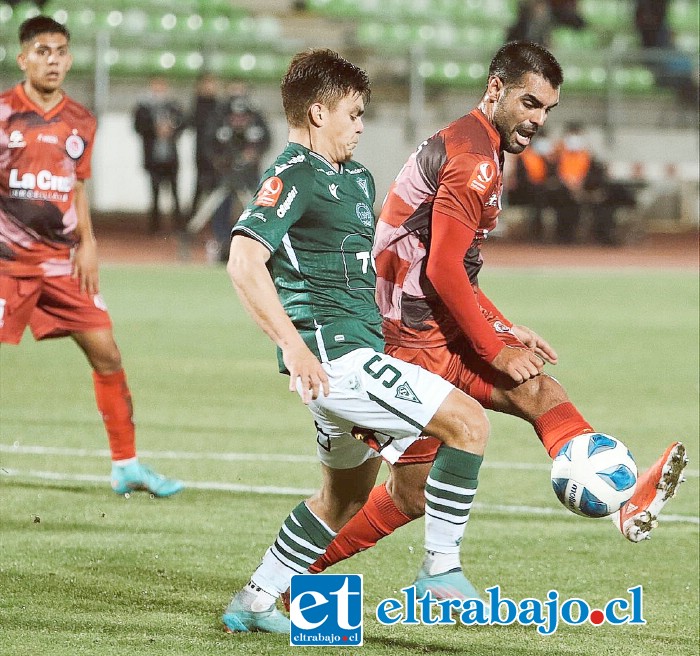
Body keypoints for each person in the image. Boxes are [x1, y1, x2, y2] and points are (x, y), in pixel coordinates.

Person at [306, 41, 687, 579]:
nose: (538, 120)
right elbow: (441, 268)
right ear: (495, 90)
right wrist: (493, 347)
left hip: (432, 329)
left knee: (540, 389)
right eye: (529, 104)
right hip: (406, 341)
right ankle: (296, 580)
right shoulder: (473, 160)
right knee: (410, 494)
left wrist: (505, 328)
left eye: (547, 110)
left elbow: (453, 267)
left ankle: (623, 501)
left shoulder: (477, 146)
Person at [222, 48, 493, 634]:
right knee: (468, 424)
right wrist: (293, 347)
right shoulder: (290, 175)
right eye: (352, 113)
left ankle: (254, 599)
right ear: (318, 113)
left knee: (344, 496)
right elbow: (244, 261)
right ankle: (440, 568)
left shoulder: (355, 177)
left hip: (360, 354)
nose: (361, 124)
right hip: (334, 360)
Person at [0, 16, 184, 498]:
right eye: (42, 51)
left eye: (60, 51)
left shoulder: (79, 119)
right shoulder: (2, 115)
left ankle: (126, 466)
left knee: (107, 354)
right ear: (22, 59)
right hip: (7, 263)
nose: (53, 59)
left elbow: (76, 187)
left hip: (62, 265)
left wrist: (89, 242)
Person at [207, 82, 271, 262]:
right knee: (221, 206)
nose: (239, 121)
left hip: (249, 174)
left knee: (256, 207)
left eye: (243, 117)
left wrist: (253, 154)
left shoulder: (256, 118)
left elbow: (266, 140)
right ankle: (222, 241)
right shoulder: (219, 116)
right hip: (226, 174)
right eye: (235, 117)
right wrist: (220, 159)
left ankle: (256, 241)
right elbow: (210, 143)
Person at [133, 76, 186, 234]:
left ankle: (178, 227)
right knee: (154, 193)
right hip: (153, 158)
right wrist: (154, 129)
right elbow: (138, 126)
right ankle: (154, 227)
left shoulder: (173, 105)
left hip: (171, 158)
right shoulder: (143, 106)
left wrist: (172, 129)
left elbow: (183, 123)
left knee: (175, 193)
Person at [189, 72, 221, 215]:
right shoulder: (197, 106)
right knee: (200, 185)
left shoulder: (220, 107)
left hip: (217, 153)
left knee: (217, 188)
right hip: (201, 152)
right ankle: (194, 218)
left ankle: (215, 222)